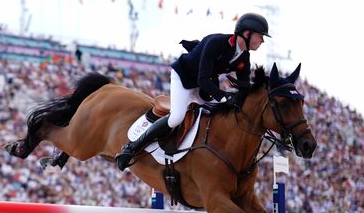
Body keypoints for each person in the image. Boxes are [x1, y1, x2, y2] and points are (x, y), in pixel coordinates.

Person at [115, 13, 270, 170]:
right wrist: (223, 97)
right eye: (260, 36)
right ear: (247, 33)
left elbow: (244, 88)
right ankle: (131, 149)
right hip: (185, 78)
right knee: (176, 117)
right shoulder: (217, 42)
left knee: (220, 114)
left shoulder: (244, 57)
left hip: (205, 85)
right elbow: (202, 79)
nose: (262, 41)